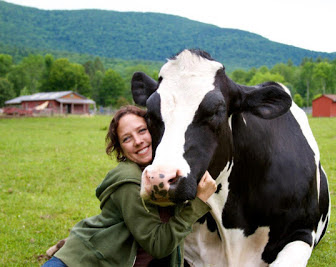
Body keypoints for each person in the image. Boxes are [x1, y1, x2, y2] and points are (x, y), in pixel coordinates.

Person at [43, 105, 217, 267]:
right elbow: (158, 245)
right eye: (127, 138)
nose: (138, 141)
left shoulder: (166, 170)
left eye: (142, 131)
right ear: (120, 149)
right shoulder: (128, 181)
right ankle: (69, 245)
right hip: (83, 261)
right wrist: (198, 202)